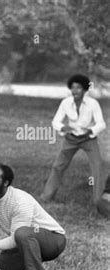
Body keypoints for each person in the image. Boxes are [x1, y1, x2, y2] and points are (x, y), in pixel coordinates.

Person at [41, 74, 106, 204]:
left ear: (85, 90)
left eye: (79, 88)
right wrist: (64, 129)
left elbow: (101, 124)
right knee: (58, 166)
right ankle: (47, 196)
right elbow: (56, 121)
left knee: (97, 167)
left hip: (88, 139)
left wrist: (91, 131)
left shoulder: (93, 103)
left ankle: (99, 200)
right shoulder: (65, 103)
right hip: (71, 139)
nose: (75, 90)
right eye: (73, 87)